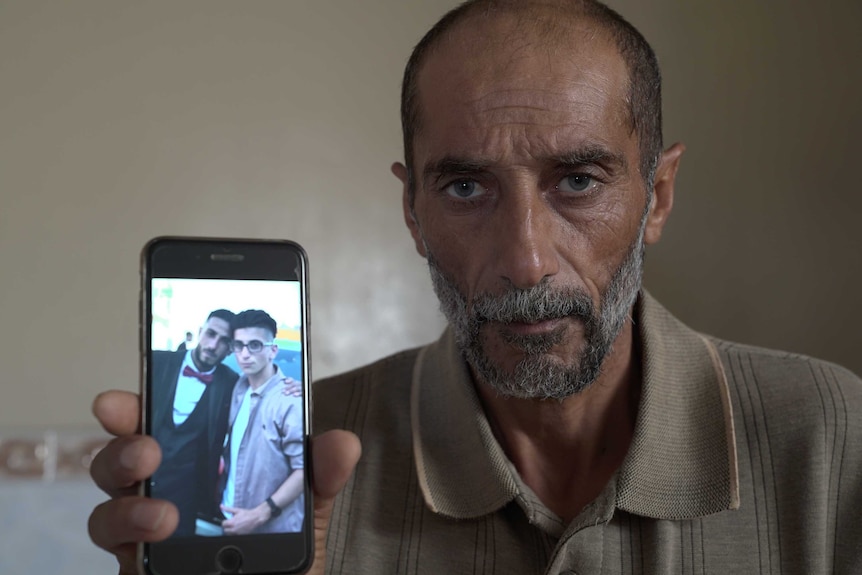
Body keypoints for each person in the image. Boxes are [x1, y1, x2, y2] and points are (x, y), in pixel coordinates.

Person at [87, 1, 862, 573]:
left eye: (579, 180)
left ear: (657, 196)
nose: (525, 262)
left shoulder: (831, 437)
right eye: (465, 189)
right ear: (412, 211)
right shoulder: (323, 457)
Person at [149, 309, 238, 537]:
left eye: (224, 341)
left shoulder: (231, 383)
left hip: (185, 495)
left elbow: (263, 395)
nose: (213, 344)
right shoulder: (156, 361)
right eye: (210, 334)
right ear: (200, 332)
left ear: (230, 349)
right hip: (141, 482)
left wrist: (294, 390)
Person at [216, 309, 305, 536]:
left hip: (272, 531)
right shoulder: (237, 388)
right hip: (229, 519)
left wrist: (260, 514)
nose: (245, 354)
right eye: (239, 345)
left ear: (273, 350)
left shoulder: (290, 400)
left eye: (254, 345)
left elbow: (304, 470)